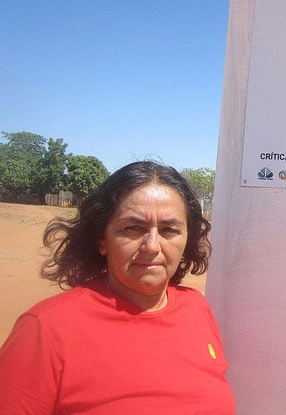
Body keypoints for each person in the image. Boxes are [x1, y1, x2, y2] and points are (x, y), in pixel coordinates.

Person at [0, 161, 235, 414]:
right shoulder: (46, 330)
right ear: (102, 239)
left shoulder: (196, 307)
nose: (152, 246)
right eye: (133, 228)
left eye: (169, 230)